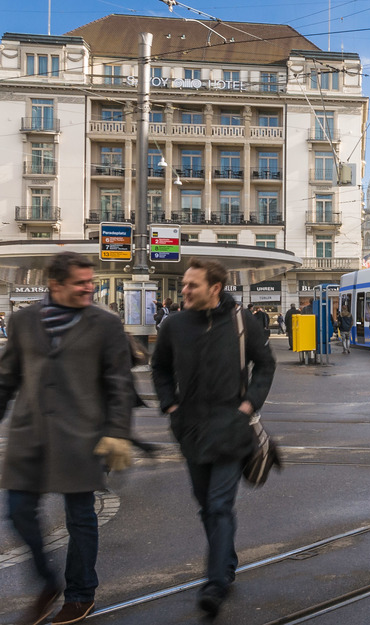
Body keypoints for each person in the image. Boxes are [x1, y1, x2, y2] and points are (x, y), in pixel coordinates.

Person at [0, 251, 134, 625]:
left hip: (82, 436)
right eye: (80, 283)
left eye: (90, 282)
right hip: (30, 435)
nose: (88, 288)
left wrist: (117, 433)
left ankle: (80, 594)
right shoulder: (23, 320)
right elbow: (7, 378)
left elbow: (119, 384)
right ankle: (47, 584)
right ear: (55, 285)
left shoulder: (105, 324)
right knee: (18, 513)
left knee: (80, 517)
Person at [150, 258, 275, 618]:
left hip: (231, 429)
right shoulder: (174, 325)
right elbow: (159, 367)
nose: (184, 291)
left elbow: (265, 364)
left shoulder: (241, 321)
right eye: (184, 285)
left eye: (192, 285)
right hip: (189, 430)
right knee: (206, 504)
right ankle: (227, 559)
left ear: (214, 289)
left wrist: (249, 405)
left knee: (219, 505)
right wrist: (170, 405)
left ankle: (216, 583)